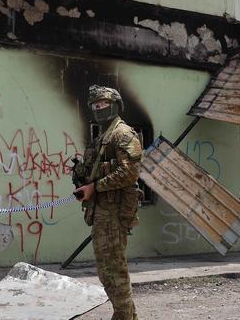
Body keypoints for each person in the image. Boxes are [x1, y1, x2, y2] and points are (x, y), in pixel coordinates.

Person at [74, 85, 143, 320]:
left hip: (114, 212)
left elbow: (130, 173)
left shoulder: (122, 134)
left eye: (103, 103)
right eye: (94, 104)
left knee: (114, 270)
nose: (98, 107)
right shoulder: (102, 137)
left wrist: (95, 187)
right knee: (107, 270)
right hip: (102, 211)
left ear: (115, 105)